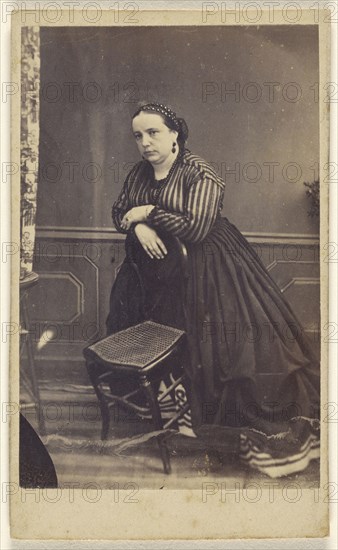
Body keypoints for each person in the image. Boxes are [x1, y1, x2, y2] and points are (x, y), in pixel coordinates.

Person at [106, 102, 320, 478]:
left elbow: (197, 228)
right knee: (162, 336)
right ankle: (175, 413)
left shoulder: (199, 172)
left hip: (211, 269)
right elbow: (119, 211)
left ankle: (220, 431)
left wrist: (147, 213)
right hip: (156, 276)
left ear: (175, 133)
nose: (145, 143)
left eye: (153, 132)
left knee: (228, 347)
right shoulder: (139, 173)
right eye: (138, 136)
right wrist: (137, 226)